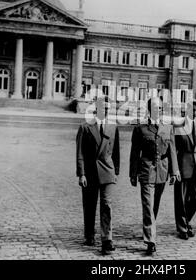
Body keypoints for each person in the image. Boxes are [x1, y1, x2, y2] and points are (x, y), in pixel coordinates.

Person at [129, 97, 180, 256]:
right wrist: (133, 173)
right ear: (149, 109)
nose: (158, 110)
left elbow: (172, 150)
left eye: (160, 107)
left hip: (162, 170)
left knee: (155, 204)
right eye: (155, 107)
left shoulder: (168, 127)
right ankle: (151, 240)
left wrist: (174, 171)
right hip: (146, 169)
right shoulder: (141, 128)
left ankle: (151, 229)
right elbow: (134, 153)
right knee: (148, 205)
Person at [76, 95, 120, 255]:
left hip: (107, 170)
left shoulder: (113, 127)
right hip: (90, 171)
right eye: (103, 108)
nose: (106, 111)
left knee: (107, 204)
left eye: (108, 109)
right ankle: (89, 234)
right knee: (89, 204)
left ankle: (107, 239)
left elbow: (116, 152)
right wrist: (81, 174)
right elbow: (79, 152)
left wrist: (116, 172)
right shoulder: (86, 127)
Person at [174, 99, 196, 240]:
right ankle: (182, 228)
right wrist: (174, 169)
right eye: (192, 110)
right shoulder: (178, 125)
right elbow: (172, 149)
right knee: (181, 199)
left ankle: (185, 221)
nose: (194, 112)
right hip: (183, 165)